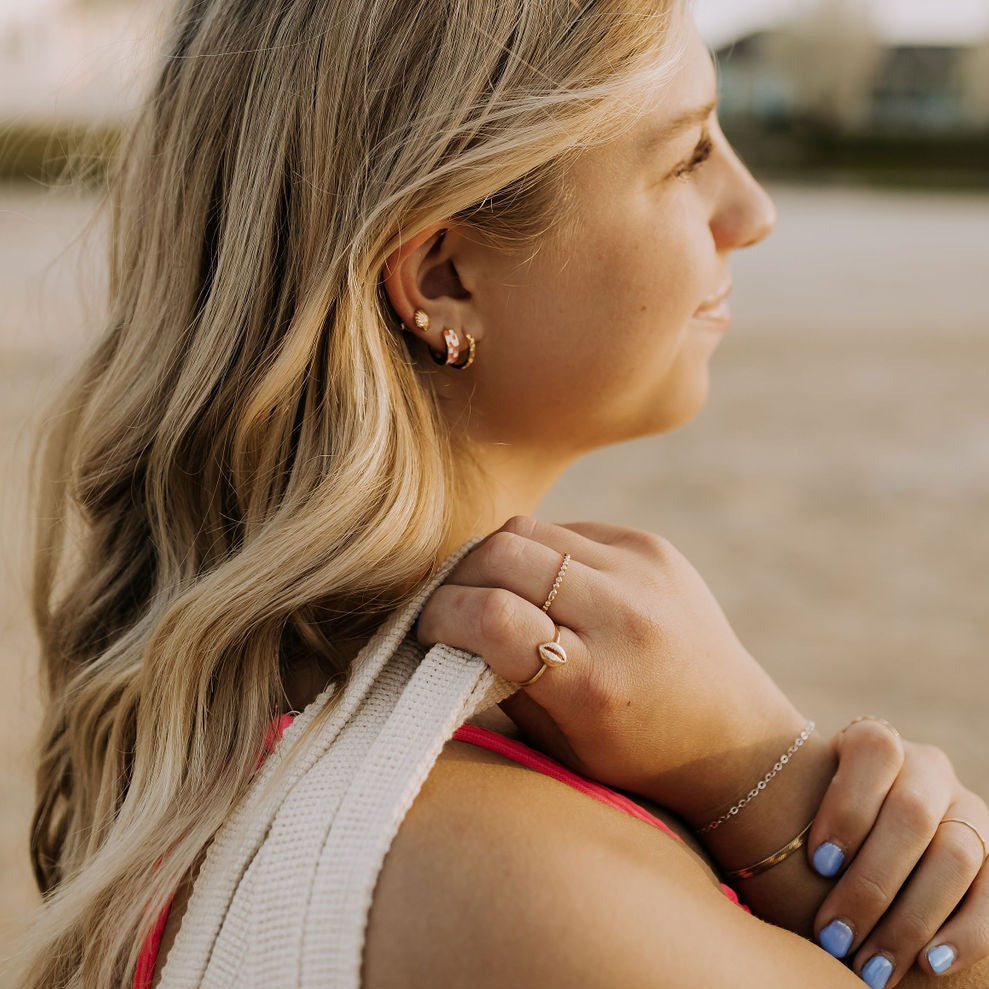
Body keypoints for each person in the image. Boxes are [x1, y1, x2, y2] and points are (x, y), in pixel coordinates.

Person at [15, 1, 988, 987]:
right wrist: (761, 781)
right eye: (688, 154)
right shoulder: (526, 891)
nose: (750, 209)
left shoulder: (216, 723)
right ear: (442, 275)